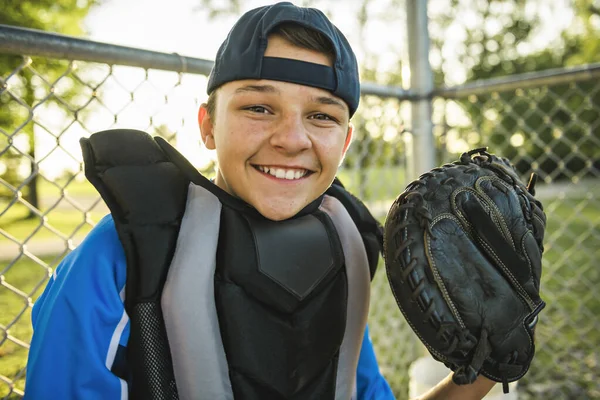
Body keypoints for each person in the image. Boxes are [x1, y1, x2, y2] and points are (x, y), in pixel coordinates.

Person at [24, 2, 496, 399]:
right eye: (258, 108)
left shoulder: (342, 248)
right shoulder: (126, 253)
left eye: (321, 116)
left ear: (346, 141)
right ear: (208, 125)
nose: (291, 139)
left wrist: (487, 366)